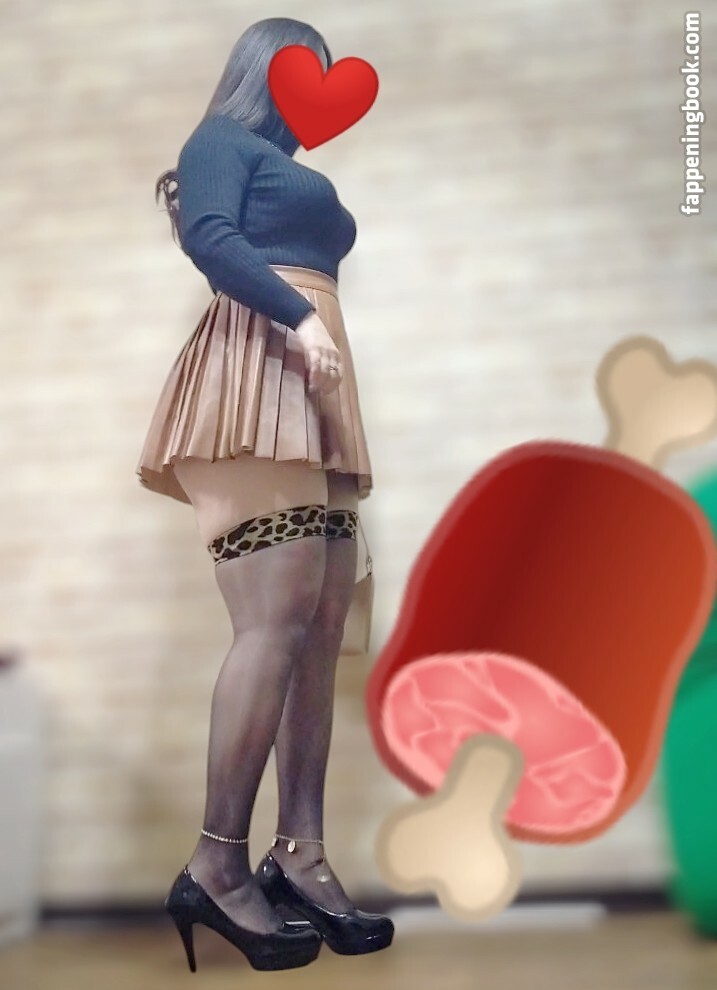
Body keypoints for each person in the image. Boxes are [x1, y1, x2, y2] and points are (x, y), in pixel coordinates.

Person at [136, 16, 393, 972]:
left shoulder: (278, 161)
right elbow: (209, 236)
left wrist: (313, 331)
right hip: (256, 370)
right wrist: (299, 317)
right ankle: (215, 863)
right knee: (275, 621)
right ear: (265, 72)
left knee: (320, 626)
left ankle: (300, 855)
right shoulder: (219, 141)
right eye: (302, 72)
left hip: (308, 383)